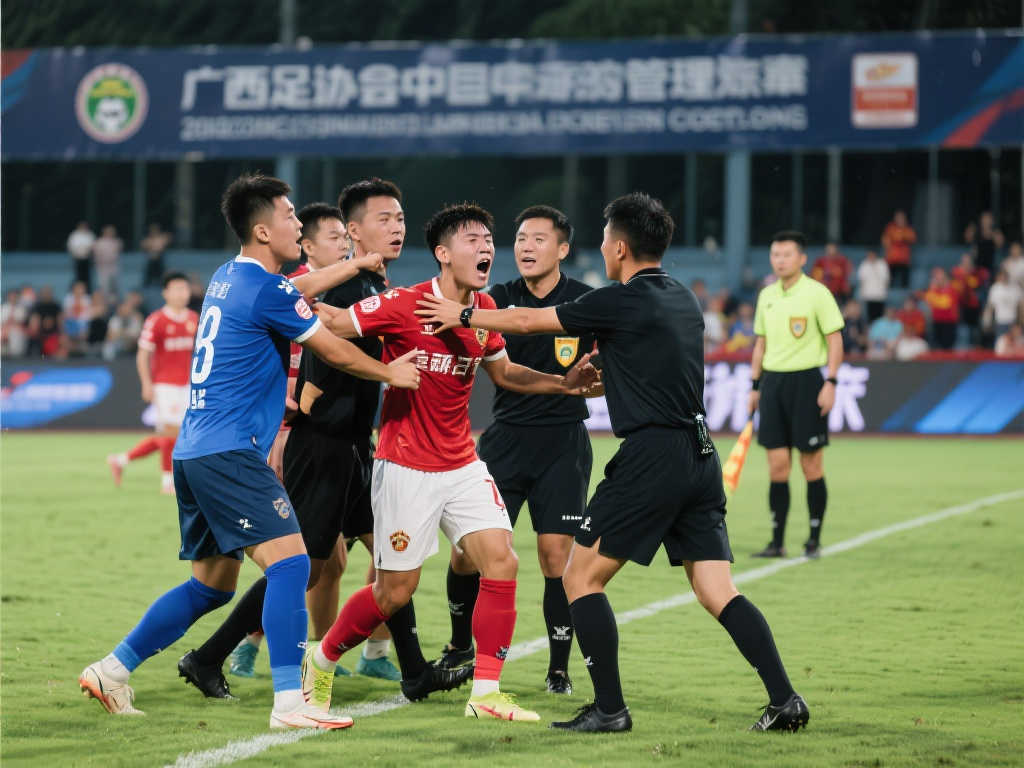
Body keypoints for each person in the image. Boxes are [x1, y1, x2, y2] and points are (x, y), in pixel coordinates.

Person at [416, 192, 808, 733]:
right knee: (718, 591)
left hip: (652, 456)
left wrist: (461, 313)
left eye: (604, 240)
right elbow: (645, 353)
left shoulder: (618, 300)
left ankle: (609, 709)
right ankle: (785, 699)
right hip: (699, 453)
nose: (601, 248)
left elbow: (527, 322)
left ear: (620, 248)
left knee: (580, 577)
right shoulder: (682, 298)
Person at [78, 173, 420, 730]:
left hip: (195, 450)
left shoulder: (228, 276)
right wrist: (391, 373)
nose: (298, 225)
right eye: (289, 216)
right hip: (230, 453)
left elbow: (298, 289)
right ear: (263, 231)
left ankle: (111, 671)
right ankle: (289, 703)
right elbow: (334, 350)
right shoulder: (269, 289)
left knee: (210, 587)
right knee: (292, 564)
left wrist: (355, 265)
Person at [308, 202, 597, 723]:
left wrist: (563, 383)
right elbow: (329, 325)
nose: (486, 248)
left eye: (488, 240)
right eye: (472, 240)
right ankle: (322, 658)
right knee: (393, 592)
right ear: (443, 254)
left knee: (502, 561)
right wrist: (381, 369)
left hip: (462, 463)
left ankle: (485, 691)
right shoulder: (404, 303)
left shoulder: (483, 310)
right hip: (405, 466)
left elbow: (505, 373)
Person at [437, 205, 595, 696]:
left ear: (562, 249)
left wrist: (596, 383)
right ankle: (460, 645)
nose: (526, 247)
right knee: (468, 552)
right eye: (521, 238)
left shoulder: (586, 302)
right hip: (505, 440)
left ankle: (559, 669)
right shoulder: (495, 299)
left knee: (554, 556)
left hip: (563, 444)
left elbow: (607, 369)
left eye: (538, 239)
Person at [749, 231, 844, 559]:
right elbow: (760, 344)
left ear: (802, 259)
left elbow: (834, 339)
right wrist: (754, 386)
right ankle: (777, 542)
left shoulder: (817, 293)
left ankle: (814, 539)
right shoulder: (766, 295)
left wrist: (831, 382)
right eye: (775, 255)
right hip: (773, 384)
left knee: (811, 464)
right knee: (777, 466)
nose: (780, 260)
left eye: (787, 254)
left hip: (807, 383)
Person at [106, 273, 197, 495]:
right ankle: (168, 482)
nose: (181, 293)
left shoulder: (195, 318)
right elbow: (143, 355)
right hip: (165, 385)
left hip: (188, 385)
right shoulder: (156, 320)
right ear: (166, 293)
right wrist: (147, 384)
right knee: (169, 433)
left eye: (184, 289)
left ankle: (120, 460)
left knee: (176, 435)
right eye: (176, 289)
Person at [950, 253, 989, 347]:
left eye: (968, 261)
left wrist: (967, 275)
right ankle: (963, 347)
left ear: (971, 262)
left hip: (974, 306)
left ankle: (975, 347)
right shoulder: (955, 272)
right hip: (960, 305)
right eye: (964, 261)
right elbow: (953, 286)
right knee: (962, 330)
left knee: (975, 331)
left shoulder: (976, 273)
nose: (966, 263)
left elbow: (977, 285)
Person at [923, 268, 959, 350]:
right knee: (935, 347)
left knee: (947, 348)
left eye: (940, 278)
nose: (938, 280)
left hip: (948, 323)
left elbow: (945, 304)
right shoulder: (935, 290)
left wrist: (934, 297)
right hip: (937, 322)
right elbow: (928, 299)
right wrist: (933, 290)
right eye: (937, 279)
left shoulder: (952, 290)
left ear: (946, 279)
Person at [983, 268, 1023, 341]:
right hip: (1000, 321)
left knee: (1015, 343)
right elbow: (991, 306)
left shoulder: (1015, 288)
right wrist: (987, 320)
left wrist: (1020, 320)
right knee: (1000, 342)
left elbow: (1020, 305)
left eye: (1005, 276)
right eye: (1001, 276)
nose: (1003, 278)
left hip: (1013, 321)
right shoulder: (995, 289)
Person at [882, 210, 916, 289]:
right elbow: (885, 240)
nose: (899, 219)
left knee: (905, 282)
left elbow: (912, 239)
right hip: (892, 258)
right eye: (898, 218)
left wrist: (902, 236)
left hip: (904, 258)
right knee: (890, 280)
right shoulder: (890, 228)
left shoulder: (908, 229)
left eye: (901, 218)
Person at [856, 250, 889, 324]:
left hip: (880, 295)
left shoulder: (882, 264)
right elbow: (861, 279)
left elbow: (886, 279)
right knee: (869, 317)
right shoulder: (864, 264)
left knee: (879, 316)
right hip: (868, 295)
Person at [93, 225, 123, 300]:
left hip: (114, 267)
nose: (110, 233)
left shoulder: (117, 242)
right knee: (104, 287)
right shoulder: (99, 242)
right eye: (109, 231)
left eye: (112, 232)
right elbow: (96, 255)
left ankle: (115, 302)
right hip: (103, 268)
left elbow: (117, 253)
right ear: (104, 232)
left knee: (115, 287)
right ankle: (104, 301)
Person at [141, 223, 172, 288]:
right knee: (147, 278)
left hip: (159, 261)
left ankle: (163, 286)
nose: (154, 232)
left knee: (161, 277)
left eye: (155, 230)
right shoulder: (148, 239)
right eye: (152, 230)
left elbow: (165, 243)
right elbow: (143, 246)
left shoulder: (161, 238)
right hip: (151, 261)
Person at [67, 222, 95, 291]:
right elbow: (71, 246)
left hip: (87, 259)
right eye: (82, 226)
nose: (83, 228)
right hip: (77, 259)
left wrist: (86, 251)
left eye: (84, 226)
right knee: (78, 276)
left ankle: (87, 291)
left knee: (87, 277)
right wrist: (78, 252)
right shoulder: (74, 235)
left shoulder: (90, 235)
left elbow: (93, 246)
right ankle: (77, 290)